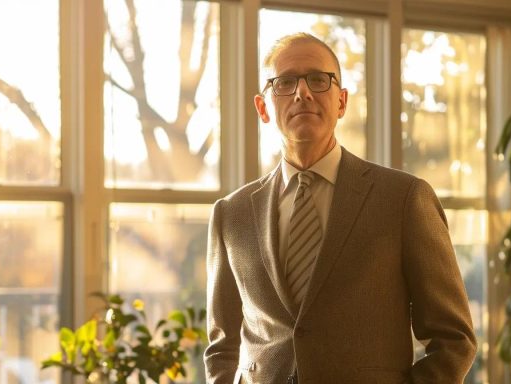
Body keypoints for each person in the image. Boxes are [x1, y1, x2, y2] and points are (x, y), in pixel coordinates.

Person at [204, 32, 476, 384]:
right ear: (263, 108)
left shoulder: (403, 199)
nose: (302, 92)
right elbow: (222, 347)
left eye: (318, 80)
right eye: (285, 82)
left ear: (342, 101)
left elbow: (454, 340)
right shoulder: (231, 214)